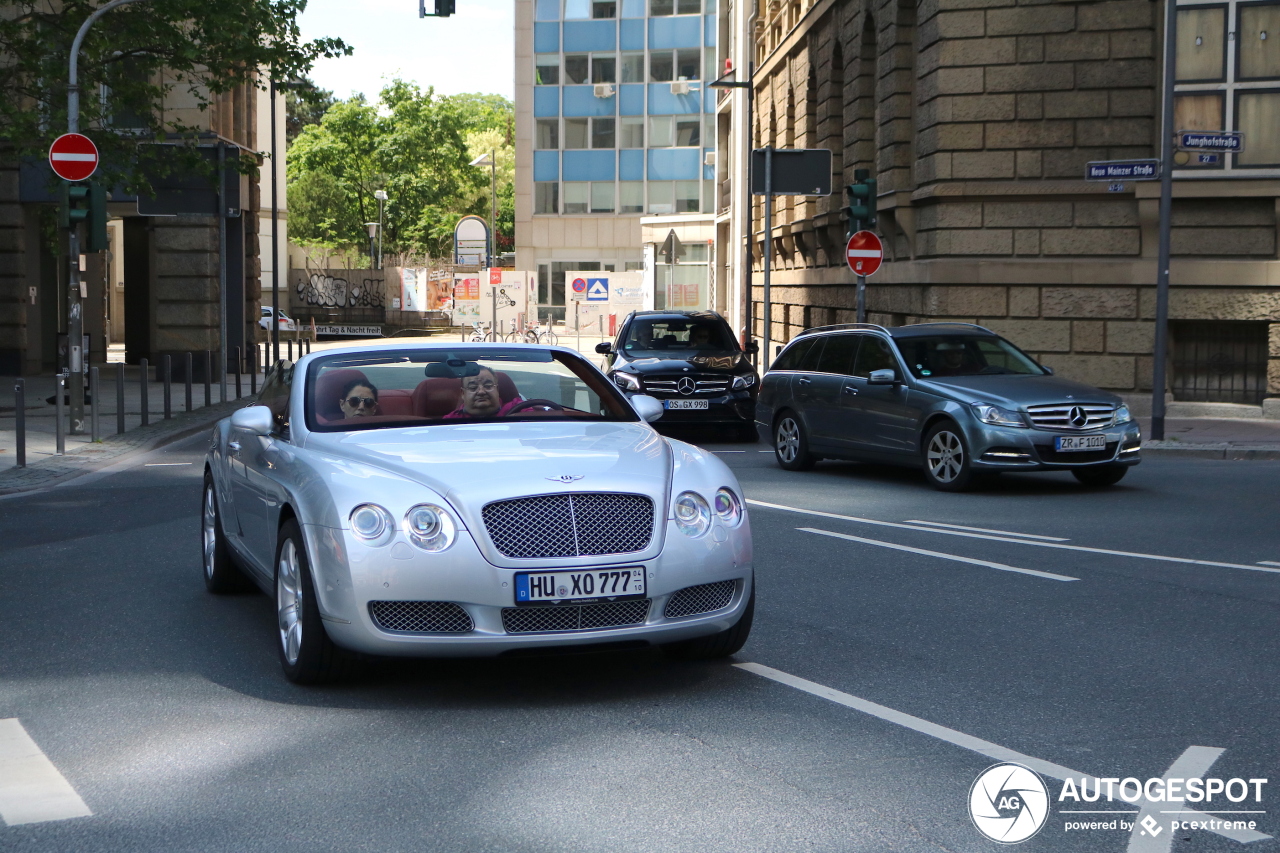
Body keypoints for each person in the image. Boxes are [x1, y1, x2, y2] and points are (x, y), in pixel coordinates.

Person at [443, 366, 525, 419]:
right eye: (473, 387)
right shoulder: (449, 421)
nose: (481, 392)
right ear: (463, 393)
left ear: (497, 389)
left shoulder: (518, 409)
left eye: (488, 385)